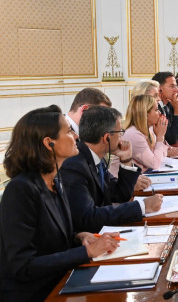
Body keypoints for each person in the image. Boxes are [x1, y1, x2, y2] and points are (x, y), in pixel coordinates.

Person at [0, 105, 120, 301]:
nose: (76, 136)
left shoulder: (55, 180)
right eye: (69, 131)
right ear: (49, 143)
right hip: (36, 293)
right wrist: (86, 251)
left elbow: (47, 237)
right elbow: (22, 265)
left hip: (61, 281)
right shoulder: (21, 190)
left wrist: (80, 237)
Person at [60, 106, 163, 233]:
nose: (122, 137)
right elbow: (87, 218)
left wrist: (126, 160)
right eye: (120, 132)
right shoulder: (74, 165)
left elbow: (120, 194)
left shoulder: (95, 157)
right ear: (106, 138)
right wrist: (142, 206)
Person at [122, 94, 171, 171]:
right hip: (121, 181)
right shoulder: (134, 134)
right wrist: (160, 137)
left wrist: (160, 137)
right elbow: (154, 164)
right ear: (145, 114)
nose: (159, 113)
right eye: (156, 110)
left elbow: (163, 156)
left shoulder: (149, 130)